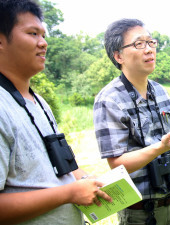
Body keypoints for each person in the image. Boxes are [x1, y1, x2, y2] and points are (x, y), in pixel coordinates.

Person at [0, 1, 112, 224]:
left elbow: (62, 167)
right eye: (32, 33)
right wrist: (69, 193)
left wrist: (88, 181)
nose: (43, 43)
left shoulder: (38, 102)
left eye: (43, 34)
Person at [93, 18, 170, 225]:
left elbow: (169, 138)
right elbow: (117, 164)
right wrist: (160, 148)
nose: (149, 49)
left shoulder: (160, 91)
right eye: (138, 44)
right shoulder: (109, 99)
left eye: (151, 42)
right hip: (140, 212)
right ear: (118, 56)